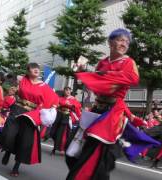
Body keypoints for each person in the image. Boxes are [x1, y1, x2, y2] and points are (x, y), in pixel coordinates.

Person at [66, 28, 140, 180]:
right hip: (96, 109)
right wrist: (83, 72)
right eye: (120, 40)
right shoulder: (103, 62)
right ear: (110, 42)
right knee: (73, 149)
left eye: (126, 41)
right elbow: (95, 83)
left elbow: (132, 79)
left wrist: (101, 76)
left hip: (112, 112)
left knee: (96, 150)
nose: (123, 44)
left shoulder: (128, 62)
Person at [0, 63, 59, 177]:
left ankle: (16, 167)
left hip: (31, 115)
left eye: (37, 68)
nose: (36, 70)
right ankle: (7, 151)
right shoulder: (21, 79)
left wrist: (54, 106)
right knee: (8, 134)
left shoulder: (44, 86)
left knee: (24, 141)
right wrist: (13, 82)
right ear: (28, 71)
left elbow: (55, 99)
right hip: (16, 110)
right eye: (33, 68)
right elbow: (7, 80)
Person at [50, 86, 82, 155]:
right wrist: (60, 105)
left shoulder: (73, 99)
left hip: (66, 118)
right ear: (64, 91)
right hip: (58, 116)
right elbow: (56, 104)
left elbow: (77, 106)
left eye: (69, 90)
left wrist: (70, 105)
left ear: (71, 91)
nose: (67, 91)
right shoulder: (60, 98)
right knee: (53, 132)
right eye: (66, 90)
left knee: (61, 134)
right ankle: (56, 147)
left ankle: (57, 148)